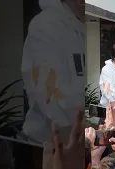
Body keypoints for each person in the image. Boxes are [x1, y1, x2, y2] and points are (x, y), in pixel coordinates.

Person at [21, 0, 85, 144]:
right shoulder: (45, 26)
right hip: (50, 149)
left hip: (86, 144)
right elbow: (54, 102)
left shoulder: (91, 25)